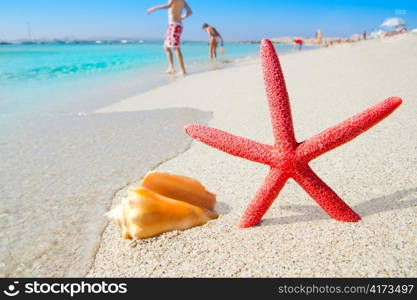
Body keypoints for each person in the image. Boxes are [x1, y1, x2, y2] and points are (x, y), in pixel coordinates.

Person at [147, 0, 192, 75]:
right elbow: (190, 12)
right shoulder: (183, 1)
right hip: (177, 25)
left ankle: (183, 70)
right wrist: (181, 17)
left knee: (176, 48)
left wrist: (154, 8)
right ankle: (171, 67)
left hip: (174, 25)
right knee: (166, 46)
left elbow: (168, 5)